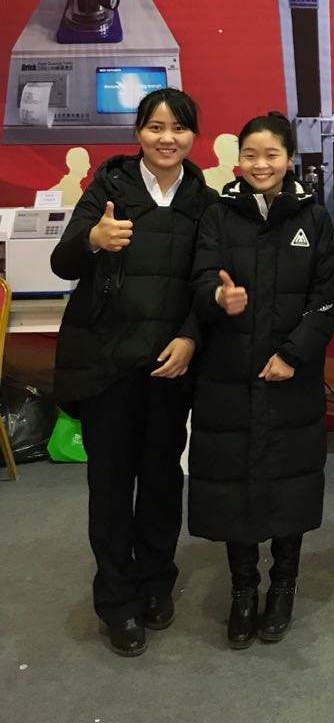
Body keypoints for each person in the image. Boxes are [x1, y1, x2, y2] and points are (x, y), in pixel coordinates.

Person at [51, 88, 217, 657]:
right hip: (107, 364)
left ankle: (156, 582)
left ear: (193, 135)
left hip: (169, 367)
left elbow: (207, 280)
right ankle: (116, 600)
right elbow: (63, 261)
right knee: (111, 485)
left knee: (163, 480)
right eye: (155, 127)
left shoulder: (204, 200)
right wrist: (93, 240)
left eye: (178, 128)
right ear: (138, 133)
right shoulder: (109, 187)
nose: (167, 138)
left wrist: (191, 336)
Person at [189, 112, 334, 648]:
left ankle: (283, 586)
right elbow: (199, 278)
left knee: (289, 483)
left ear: (289, 159)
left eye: (271, 154)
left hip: (290, 377)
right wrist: (218, 297)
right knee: (234, 485)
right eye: (250, 155)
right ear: (238, 160)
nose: (260, 164)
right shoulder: (217, 214)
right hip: (228, 373)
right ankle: (243, 589)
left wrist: (293, 354)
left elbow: (324, 298)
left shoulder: (313, 218)